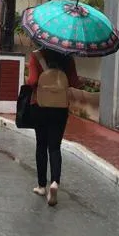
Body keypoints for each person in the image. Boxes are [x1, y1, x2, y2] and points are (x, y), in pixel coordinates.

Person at [26, 46, 87, 207]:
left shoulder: (36, 56)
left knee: (41, 144)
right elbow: (74, 83)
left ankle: (41, 186)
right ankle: (55, 182)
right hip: (60, 108)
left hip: (39, 106)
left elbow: (32, 81)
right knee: (54, 147)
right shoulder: (67, 58)